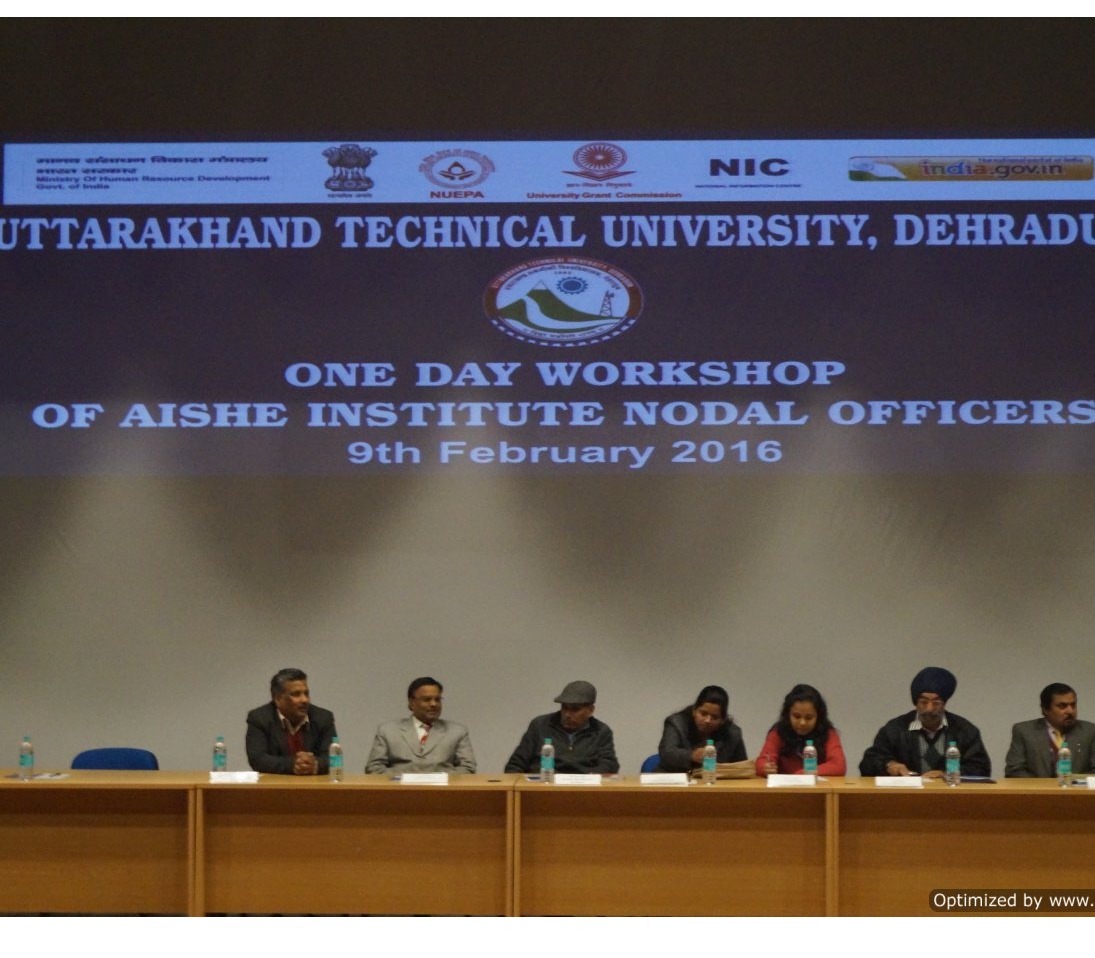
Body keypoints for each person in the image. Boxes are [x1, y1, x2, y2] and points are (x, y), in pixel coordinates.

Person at [859, 666, 991, 778]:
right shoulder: (895, 729)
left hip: (950, 797)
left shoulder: (964, 730)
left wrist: (946, 774)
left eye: (936, 702)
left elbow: (981, 768)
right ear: (916, 702)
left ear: (945, 703)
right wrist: (889, 765)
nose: (929, 708)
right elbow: (868, 763)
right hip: (905, 796)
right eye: (923, 702)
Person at [365, 676, 476, 775]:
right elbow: (374, 768)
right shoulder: (388, 731)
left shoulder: (457, 731)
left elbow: (468, 768)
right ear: (411, 702)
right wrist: (409, 779)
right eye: (427, 699)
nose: (433, 704)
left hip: (442, 790)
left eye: (437, 699)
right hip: (400, 789)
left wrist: (436, 779)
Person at [504, 680, 619, 775]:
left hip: (583, 789)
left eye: (575, 709)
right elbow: (515, 765)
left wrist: (591, 777)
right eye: (564, 708)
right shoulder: (540, 725)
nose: (567, 714)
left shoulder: (601, 731)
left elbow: (609, 765)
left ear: (590, 710)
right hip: (544, 787)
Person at [245, 667, 337, 775]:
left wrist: (315, 764)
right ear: (277, 698)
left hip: (314, 784)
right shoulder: (260, 718)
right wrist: (293, 764)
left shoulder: (323, 718)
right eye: (296, 694)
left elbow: (333, 757)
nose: (304, 700)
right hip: (275, 784)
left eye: (306, 693)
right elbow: (257, 759)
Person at [1004, 682, 1095, 778]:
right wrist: (1043, 786)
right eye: (1062, 706)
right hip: (1036, 787)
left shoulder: (1090, 731)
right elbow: (1014, 770)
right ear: (1045, 710)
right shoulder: (1024, 731)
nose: (1070, 711)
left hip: (1076, 787)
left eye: (1073, 705)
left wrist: (1074, 783)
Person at [755, 683, 847, 776]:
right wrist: (765, 768)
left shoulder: (828, 733)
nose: (802, 723)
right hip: (785, 785)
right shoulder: (778, 732)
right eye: (797, 716)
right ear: (788, 715)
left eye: (809, 717)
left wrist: (805, 774)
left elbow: (839, 766)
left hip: (817, 785)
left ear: (818, 717)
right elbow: (761, 762)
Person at [657, 685, 746, 772]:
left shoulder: (733, 733)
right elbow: (667, 753)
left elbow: (742, 768)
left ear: (723, 720)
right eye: (703, 714)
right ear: (694, 711)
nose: (707, 720)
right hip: (673, 777)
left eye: (715, 717)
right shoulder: (676, 723)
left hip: (714, 780)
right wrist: (692, 755)